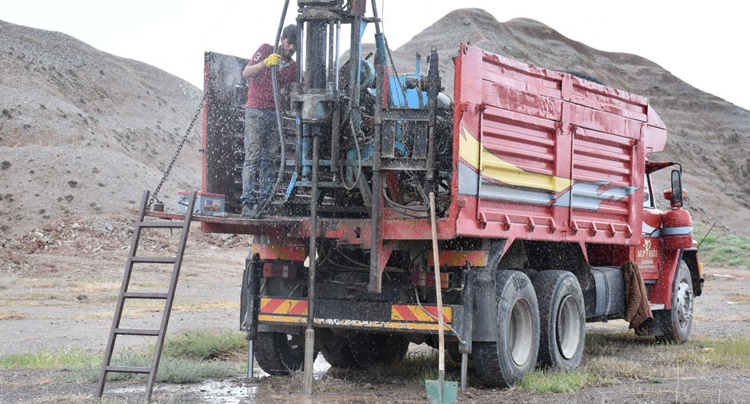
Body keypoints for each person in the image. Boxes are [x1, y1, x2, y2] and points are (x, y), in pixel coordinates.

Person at [240, 24, 298, 217]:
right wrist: (265, 63)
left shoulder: (293, 68)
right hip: (256, 110)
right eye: (289, 43)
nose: (290, 48)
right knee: (253, 156)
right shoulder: (266, 50)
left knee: (269, 160)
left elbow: (299, 86)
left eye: (294, 46)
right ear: (282, 39)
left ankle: (265, 203)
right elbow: (246, 72)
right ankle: (247, 203)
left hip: (274, 115)